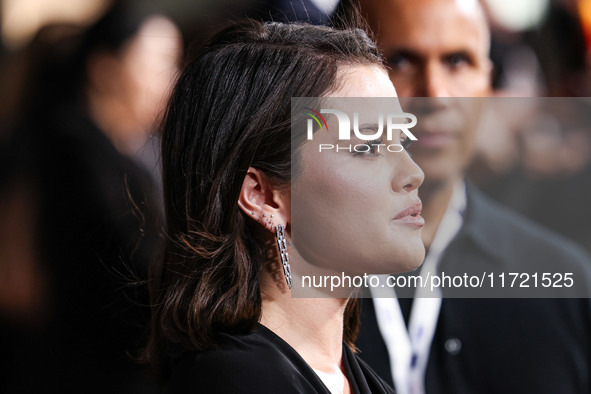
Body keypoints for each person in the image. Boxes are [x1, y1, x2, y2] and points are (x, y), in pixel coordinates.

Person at [146, 19, 426, 393]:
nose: (413, 173)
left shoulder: (343, 374)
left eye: (402, 142)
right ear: (262, 195)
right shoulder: (236, 382)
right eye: (368, 147)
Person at [332, 0, 591, 393]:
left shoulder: (564, 284)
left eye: (456, 61)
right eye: (399, 61)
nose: (435, 94)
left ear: (487, 81)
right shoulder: (279, 285)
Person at [1, 2, 181, 393]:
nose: (171, 79)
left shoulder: (144, 146)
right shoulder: (72, 148)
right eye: (159, 63)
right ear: (105, 69)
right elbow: (132, 260)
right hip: (92, 366)